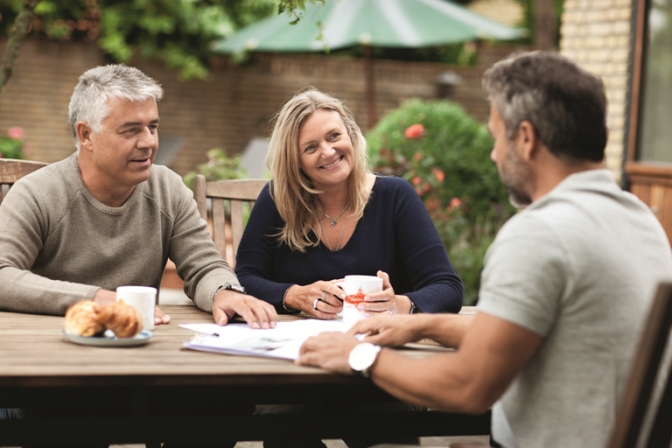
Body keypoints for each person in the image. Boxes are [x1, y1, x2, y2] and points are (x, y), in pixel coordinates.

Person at [297, 51, 672, 448]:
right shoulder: (640, 220)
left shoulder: (539, 234)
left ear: (526, 138)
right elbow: (526, 329)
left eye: (496, 137)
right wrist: (421, 325)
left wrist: (358, 357)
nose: (493, 154)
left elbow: (470, 386)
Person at [0, 64, 277, 448]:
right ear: (86, 135)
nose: (148, 141)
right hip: (54, 374)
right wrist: (94, 299)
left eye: (153, 126)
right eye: (131, 129)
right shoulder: (38, 193)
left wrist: (225, 291)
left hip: (143, 367)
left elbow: (204, 264)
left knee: (223, 404)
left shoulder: (167, 188)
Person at [235, 88, 463, 319]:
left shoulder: (395, 197)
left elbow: (447, 287)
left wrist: (399, 305)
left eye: (334, 136)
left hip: (379, 343)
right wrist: (294, 296)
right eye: (310, 147)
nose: (328, 151)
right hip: (295, 345)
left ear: (351, 135)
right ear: (295, 161)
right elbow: (244, 278)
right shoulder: (277, 199)